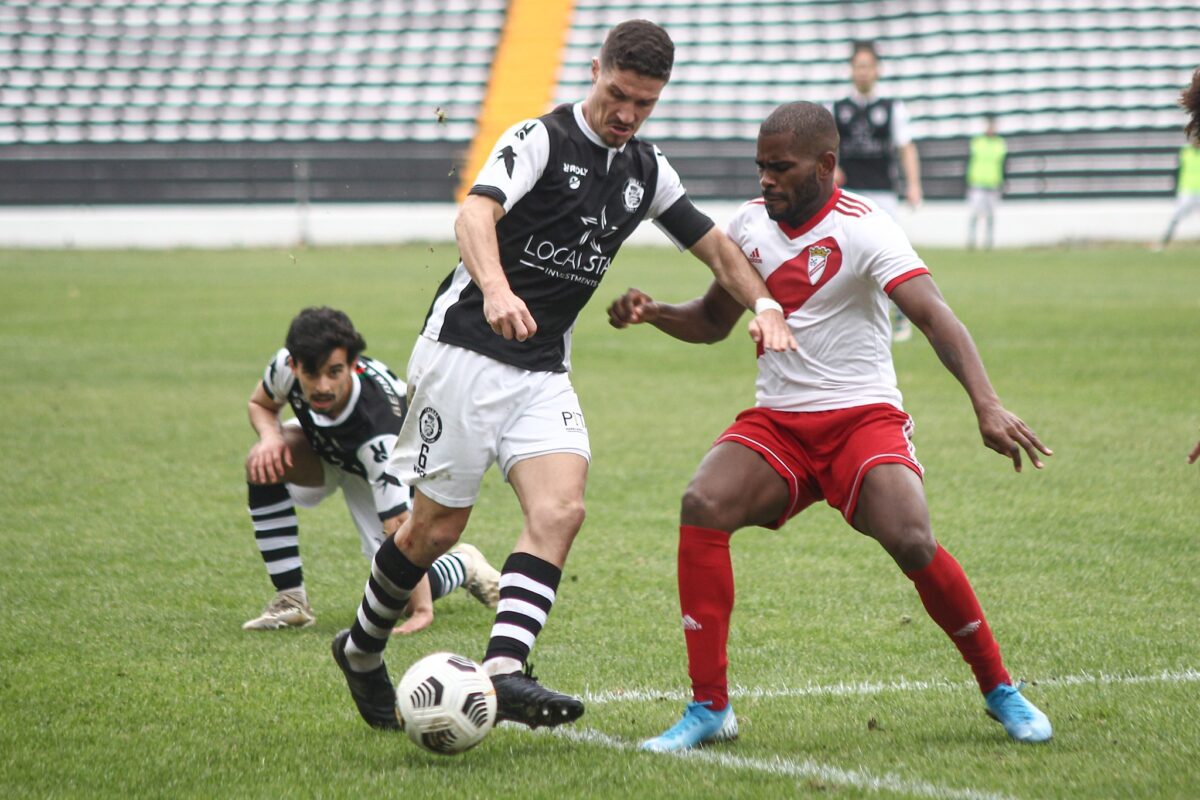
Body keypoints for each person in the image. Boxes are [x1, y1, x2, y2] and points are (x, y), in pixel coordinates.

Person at [330, 19, 797, 732]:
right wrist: (495, 289)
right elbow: (475, 215)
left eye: (644, 103)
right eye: (618, 95)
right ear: (594, 71)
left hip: (542, 368)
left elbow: (716, 247)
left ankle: (504, 670)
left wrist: (764, 304)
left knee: (561, 510)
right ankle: (361, 650)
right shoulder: (539, 139)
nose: (627, 114)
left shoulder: (647, 171)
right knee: (435, 530)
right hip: (464, 352)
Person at [607, 101, 1054, 751]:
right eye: (760, 166)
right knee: (702, 503)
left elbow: (935, 317)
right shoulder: (748, 225)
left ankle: (999, 688)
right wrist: (654, 313)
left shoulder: (866, 229)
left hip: (861, 418)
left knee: (911, 539)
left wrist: (986, 404)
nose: (766, 180)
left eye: (780, 167)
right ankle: (709, 708)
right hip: (780, 425)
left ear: (824, 165)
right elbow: (711, 322)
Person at [243, 306, 500, 635]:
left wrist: (421, 609)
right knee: (261, 463)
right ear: (294, 365)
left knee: (397, 588)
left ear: (354, 365)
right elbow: (261, 404)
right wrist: (270, 437)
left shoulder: (379, 430)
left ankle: (462, 565)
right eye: (311, 373)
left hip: (394, 467)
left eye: (334, 372)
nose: (322, 386)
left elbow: (400, 526)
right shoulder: (285, 365)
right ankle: (291, 600)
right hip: (329, 448)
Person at [831, 40, 923, 340]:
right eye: (858, 66)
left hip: (882, 192)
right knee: (845, 256)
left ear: (877, 70)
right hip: (847, 194)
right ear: (851, 70)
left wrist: (913, 185)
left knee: (890, 255)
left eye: (868, 66)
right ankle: (849, 318)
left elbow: (906, 147)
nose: (863, 72)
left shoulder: (892, 108)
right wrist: (832, 168)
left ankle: (900, 315)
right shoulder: (838, 108)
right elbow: (826, 147)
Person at [1158, 67, 1200, 251]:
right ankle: (1163, 243)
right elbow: (1177, 170)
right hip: (1188, 190)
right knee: (1176, 217)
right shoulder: (1185, 152)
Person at [966, 116, 1007, 250]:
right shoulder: (977, 141)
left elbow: (1004, 164)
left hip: (993, 183)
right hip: (977, 182)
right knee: (974, 214)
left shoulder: (1000, 143)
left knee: (991, 216)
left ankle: (988, 242)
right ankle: (971, 241)